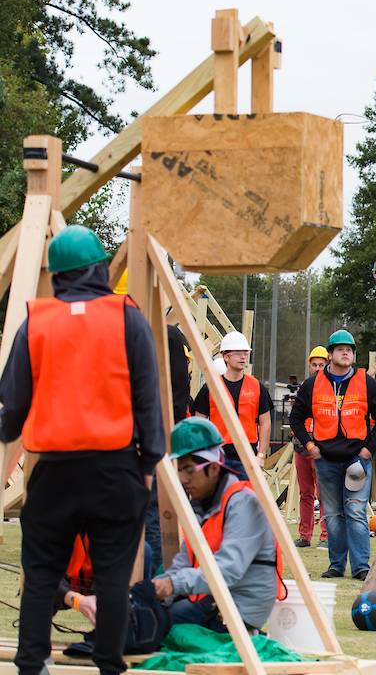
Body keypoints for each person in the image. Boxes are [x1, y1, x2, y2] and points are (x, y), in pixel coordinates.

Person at [0, 225, 163, 675]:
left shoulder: (36, 320)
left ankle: (31, 664)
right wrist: (147, 462)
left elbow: (13, 405)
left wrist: (10, 430)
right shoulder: (126, 316)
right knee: (112, 576)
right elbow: (148, 399)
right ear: (98, 270)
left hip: (52, 469)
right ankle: (110, 665)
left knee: (40, 572)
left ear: (58, 275)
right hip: (114, 466)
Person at [153, 418, 283, 631]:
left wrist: (172, 584)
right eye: (179, 470)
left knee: (155, 624)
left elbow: (228, 569)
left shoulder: (243, 502)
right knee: (147, 612)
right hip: (211, 597)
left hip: (238, 608)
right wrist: (157, 587)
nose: (182, 479)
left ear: (213, 468)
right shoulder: (201, 505)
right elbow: (183, 562)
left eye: (188, 470)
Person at [289, 330, 376, 580]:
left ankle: (360, 567)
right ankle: (336, 565)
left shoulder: (366, 382)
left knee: (355, 512)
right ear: (331, 354)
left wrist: (367, 451)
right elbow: (296, 418)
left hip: (357, 459)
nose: (346, 352)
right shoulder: (313, 384)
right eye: (341, 349)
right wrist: (311, 447)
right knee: (333, 515)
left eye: (350, 349)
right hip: (326, 461)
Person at [192, 331, 272, 480]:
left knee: (245, 499)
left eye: (245, 353)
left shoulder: (257, 387)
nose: (243, 357)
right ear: (226, 357)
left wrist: (261, 454)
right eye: (238, 353)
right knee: (219, 500)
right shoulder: (211, 388)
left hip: (248, 456)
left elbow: (265, 422)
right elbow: (198, 423)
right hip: (218, 455)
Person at [293, 347, 328, 548]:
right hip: (302, 447)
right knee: (305, 493)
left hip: (321, 448)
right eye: (314, 365)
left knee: (323, 493)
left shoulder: (331, 389)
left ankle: (326, 535)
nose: (317, 368)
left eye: (321, 365)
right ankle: (305, 535)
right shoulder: (305, 388)